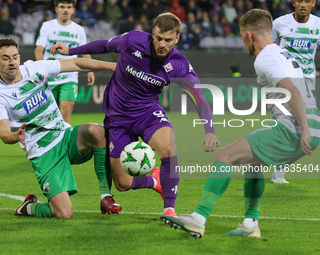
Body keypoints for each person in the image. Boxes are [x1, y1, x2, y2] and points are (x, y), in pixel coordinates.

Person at [161, 9, 320, 239]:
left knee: (224, 156)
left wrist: (303, 128)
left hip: (295, 128)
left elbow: (292, 90)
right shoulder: (283, 53)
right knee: (253, 164)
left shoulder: (265, 57)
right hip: (312, 128)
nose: (243, 40)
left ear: (250, 36)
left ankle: (198, 218)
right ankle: (250, 224)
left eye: (241, 35)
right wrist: (309, 130)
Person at [51, 12, 220, 218]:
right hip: (118, 117)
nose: (162, 44)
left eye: (168, 40)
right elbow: (104, 45)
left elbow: (199, 96)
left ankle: (169, 209)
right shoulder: (133, 41)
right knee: (122, 184)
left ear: (177, 38)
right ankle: (153, 180)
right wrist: (71, 50)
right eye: (159, 38)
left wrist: (209, 130)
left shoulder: (179, 65)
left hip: (148, 112)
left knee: (169, 147)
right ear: (153, 33)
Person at [0, 38, 120, 218]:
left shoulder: (34, 68)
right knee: (64, 213)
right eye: (5, 58)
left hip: (64, 135)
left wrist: (113, 66)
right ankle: (29, 207)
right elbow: (3, 133)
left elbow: (75, 63)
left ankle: (106, 196)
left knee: (98, 131)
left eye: (15, 57)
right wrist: (15, 135)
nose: (12, 62)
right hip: (43, 152)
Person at [271, 0, 320, 184]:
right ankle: (278, 170)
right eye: (299, 0)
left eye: (307, 1)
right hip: (285, 82)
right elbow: (268, 48)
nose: (302, 4)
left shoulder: (317, 25)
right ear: (294, 2)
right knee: (285, 125)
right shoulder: (280, 23)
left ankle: (277, 161)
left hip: (307, 84)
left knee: (309, 131)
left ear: (313, 3)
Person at [35, 0, 94, 125]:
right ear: (56, 9)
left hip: (69, 76)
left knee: (66, 109)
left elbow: (85, 52)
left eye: (69, 7)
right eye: (62, 7)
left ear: (73, 10)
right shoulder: (47, 26)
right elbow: (39, 50)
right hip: (49, 76)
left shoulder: (79, 30)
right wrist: (42, 68)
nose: (65, 10)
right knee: (49, 114)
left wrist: (90, 70)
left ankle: (65, 142)